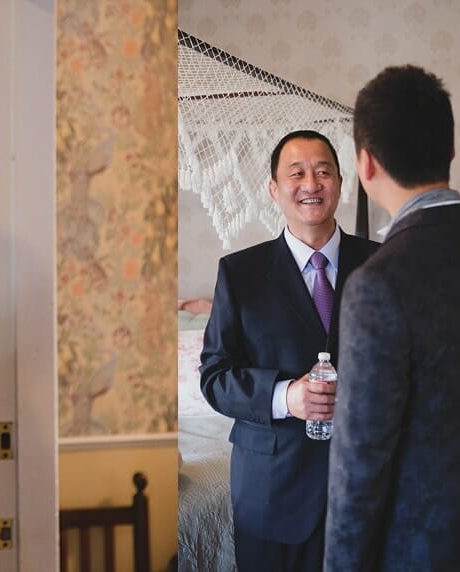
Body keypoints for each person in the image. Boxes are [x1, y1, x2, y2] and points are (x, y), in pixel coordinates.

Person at [325, 65, 460, 571]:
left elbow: (360, 461)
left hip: (419, 549)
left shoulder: (376, 283)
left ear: (365, 163)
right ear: (451, 150)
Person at [199, 130, 378, 572]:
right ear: (274, 190)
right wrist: (285, 396)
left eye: (323, 171)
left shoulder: (383, 264)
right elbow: (215, 376)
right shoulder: (240, 273)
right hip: (272, 495)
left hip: (367, 489)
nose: (311, 184)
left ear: (340, 182)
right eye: (296, 173)